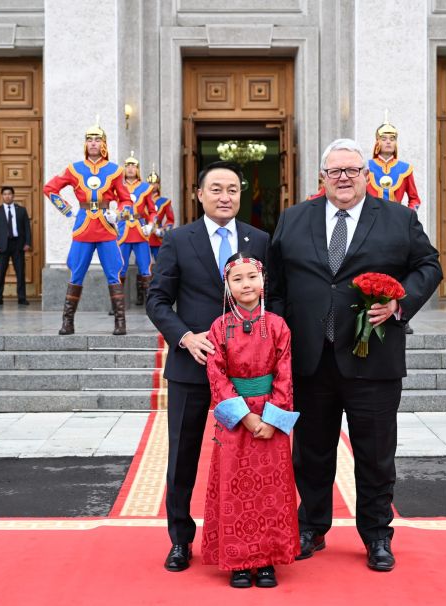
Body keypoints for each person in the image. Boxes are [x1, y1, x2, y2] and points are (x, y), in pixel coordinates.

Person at [267, 139, 442, 572]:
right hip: (310, 360)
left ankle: (377, 535)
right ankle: (310, 528)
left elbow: (429, 266)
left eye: (352, 170)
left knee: (376, 453)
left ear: (366, 175)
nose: (343, 178)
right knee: (311, 452)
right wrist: (277, 331)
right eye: (335, 171)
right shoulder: (293, 218)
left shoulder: (399, 219)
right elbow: (276, 284)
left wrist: (400, 305)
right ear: (322, 177)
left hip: (373, 359)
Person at [146, 161, 270, 573]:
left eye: (232, 189)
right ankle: (180, 539)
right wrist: (184, 337)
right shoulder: (179, 240)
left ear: (241, 195)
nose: (225, 197)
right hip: (193, 367)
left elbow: (277, 300)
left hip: (248, 376)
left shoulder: (260, 240)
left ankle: (249, 536)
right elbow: (157, 300)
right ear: (199, 194)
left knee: (249, 459)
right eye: (216, 189)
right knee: (182, 455)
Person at [203, 253, 300, 588]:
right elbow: (216, 376)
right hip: (236, 421)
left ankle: (268, 559)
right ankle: (239, 562)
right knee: (235, 487)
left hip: (270, 420)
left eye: (252, 277)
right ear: (227, 286)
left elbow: (285, 375)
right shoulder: (219, 328)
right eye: (237, 279)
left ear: (263, 281)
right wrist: (245, 418)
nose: (246, 284)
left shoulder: (277, 325)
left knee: (271, 490)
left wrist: (271, 418)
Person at [43, 119, 130, 336]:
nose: (93, 143)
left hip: (106, 227)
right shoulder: (75, 169)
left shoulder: (114, 170)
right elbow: (50, 188)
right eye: (89, 139)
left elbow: (126, 201)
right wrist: (66, 208)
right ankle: (68, 322)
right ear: (85, 143)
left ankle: (120, 323)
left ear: (104, 144)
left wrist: (117, 214)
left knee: (114, 273)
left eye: (97, 139)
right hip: (83, 225)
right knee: (76, 273)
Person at [366, 112, 421, 335]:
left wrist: (409, 213)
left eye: (392, 138)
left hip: (397, 225)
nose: (388, 142)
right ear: (377, 142)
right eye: (384, 138)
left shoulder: (405, 168)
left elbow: (414, 198)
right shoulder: (366, 167)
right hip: (370, 223)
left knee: (399, 269)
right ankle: (370, 310)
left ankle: (402, 314)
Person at [118, 151, 157, 305]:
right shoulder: (118, 186)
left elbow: (153, 211)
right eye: (127, 166)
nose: (130, 169)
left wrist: (151, 225)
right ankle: (118, 304)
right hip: (123, 230)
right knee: (119, 267)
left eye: (133, 166)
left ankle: (150, 304)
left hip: (140, 231)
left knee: (145, 267)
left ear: (138, 169)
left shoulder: (146, 187)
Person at [0, 185, 31, 305]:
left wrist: (27, 242)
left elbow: (27, 228)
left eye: (9, 194)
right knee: (0, 272)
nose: (7, 196)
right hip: (2, 246)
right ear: (2, 196)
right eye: (5, 194)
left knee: (20, 272)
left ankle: (22, 297)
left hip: (18, 244)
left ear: (13, 195)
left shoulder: (21, 210)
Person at [147, 167, 175, 261]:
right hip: (144, 235)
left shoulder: (165, 202)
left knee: (161, 263)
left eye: (155, 183)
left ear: (158, 185)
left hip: (157, 236)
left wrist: (162, 231)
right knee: (143, 265)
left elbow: (170, 220)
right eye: (150, 183)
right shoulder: (141, 201)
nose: (152, 185)